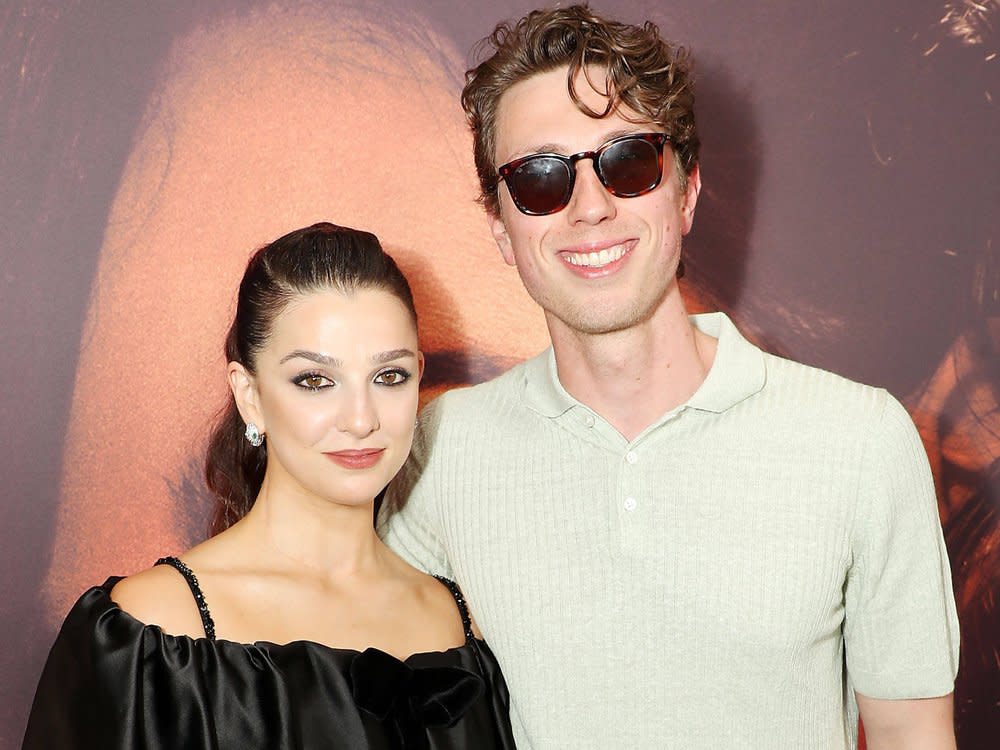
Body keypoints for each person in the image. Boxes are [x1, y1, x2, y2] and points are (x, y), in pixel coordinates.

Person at [378, 5, 960, 749]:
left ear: (685, 194)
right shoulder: (438, 450)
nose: (590, 208)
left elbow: (915, 734)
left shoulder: (861, 440)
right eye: (540, 178)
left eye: (628, 163)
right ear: (501, 227)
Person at [24, 223, 516, 749]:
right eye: (315, 381)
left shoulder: (464, 625)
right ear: (249, 394)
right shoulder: (152, 630)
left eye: (388, 376)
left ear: (418, 376)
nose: (360, 418)